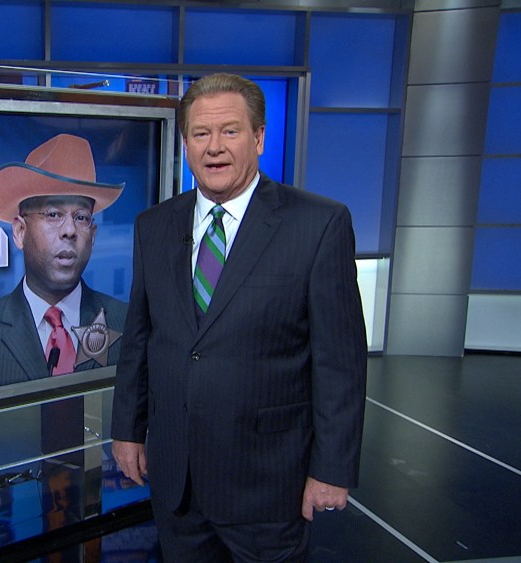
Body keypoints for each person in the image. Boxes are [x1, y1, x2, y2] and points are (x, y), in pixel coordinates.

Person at [111, 73, 368, 561]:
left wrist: (332, 468)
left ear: (259, 137)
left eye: (229, 131)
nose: (214, 147)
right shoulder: (154, 226)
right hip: (177, 479)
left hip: (268, 483)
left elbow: (340, 363)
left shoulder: (318, 224)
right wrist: (126, 429)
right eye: (200, 133)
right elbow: (140, 340)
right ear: (186, 142)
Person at [0, 133, 129, 397]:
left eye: (81, 217)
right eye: (53, 214)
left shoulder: (130, 326)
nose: (70, 230)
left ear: (93, 236)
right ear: (19, 232)